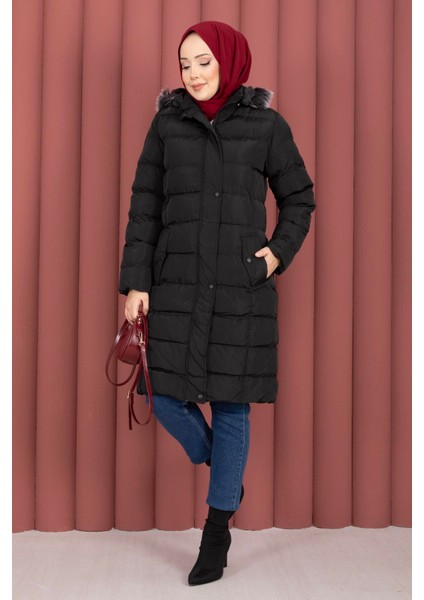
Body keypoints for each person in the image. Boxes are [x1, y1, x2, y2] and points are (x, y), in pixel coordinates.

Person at [118, 20, 315, 586]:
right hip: (176, 285)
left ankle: (216, 532)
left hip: (239, 290)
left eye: (204, 61)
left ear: (230, 60)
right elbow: (145, 207)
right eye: (185, 63)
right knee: (162, 396)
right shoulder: (167, 126)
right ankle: (222, 467)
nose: (193, 73)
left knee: (232, 407)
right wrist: (136, 283)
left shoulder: (266, 126)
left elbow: (299, 198)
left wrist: (274, 257)